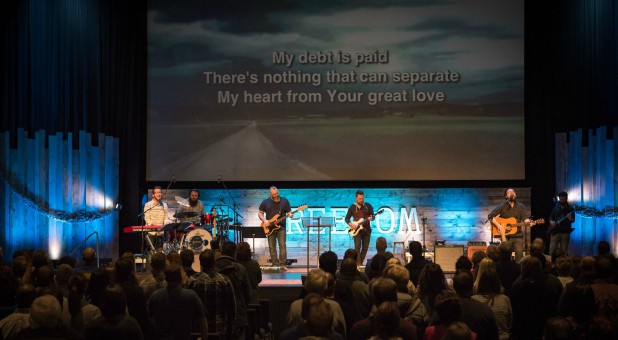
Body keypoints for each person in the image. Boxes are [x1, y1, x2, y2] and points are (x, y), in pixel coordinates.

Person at [488, 188, 531, 261]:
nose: (512, 193)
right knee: (505, 257)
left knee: (519, 258)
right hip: (505, 236)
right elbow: (490, 216)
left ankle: (518, 271)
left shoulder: (521, 206)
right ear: (506, 196)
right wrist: (499, 226)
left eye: (513, 191)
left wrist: (528, 222)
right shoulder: (502, 206)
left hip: (518, 235)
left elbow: (525, 219)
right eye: (509, 192)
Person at [258, 186, 292, 270]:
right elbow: (260, 213)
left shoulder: (284, 201)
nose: (276, 195)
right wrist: (264, 220)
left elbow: (289, 212)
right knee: (272, 247)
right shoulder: (265, 202)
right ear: (271, 194)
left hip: (281, 227)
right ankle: (275, 264)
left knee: (282, 246)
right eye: (274, 194)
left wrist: (290, 215)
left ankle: (282, 264)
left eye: (277, 193)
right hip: (270, 228)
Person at [344, 190, 375, 266]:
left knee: (365, 248)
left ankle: (360, 262)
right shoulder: (352, 207)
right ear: (356, 198)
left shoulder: (368, 206)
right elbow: (347, 218)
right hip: (356, 230)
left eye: (362, 198)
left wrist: (372, 218)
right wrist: (351, 225)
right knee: (357, 247)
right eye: (359, 199)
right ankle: (358, 264)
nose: (361, 200)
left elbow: (373, 216)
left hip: (367, 230)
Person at [143, 186, 170, 253]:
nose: (159, 194)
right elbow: (148, 219)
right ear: (153, 194)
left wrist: (166, 223)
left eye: (160, 192)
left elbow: (166, 217)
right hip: (151, 233)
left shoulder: (164, 205)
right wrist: (156, 225)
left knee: (159, 252)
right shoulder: (148, 205)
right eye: (157, 192)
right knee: (151, 253)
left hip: (160, 233)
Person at [548, 191, 575, 255]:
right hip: (555, 231)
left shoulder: (571, 209)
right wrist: (551, 221)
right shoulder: (556, 207)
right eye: (561, 199)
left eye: (564, 199)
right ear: (559, 199)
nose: (562, 201)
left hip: (565, 233)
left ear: (567, 198)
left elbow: (573, 220)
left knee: (564, 251)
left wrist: (570, 218)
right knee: (552, 250)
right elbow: (550, 217)